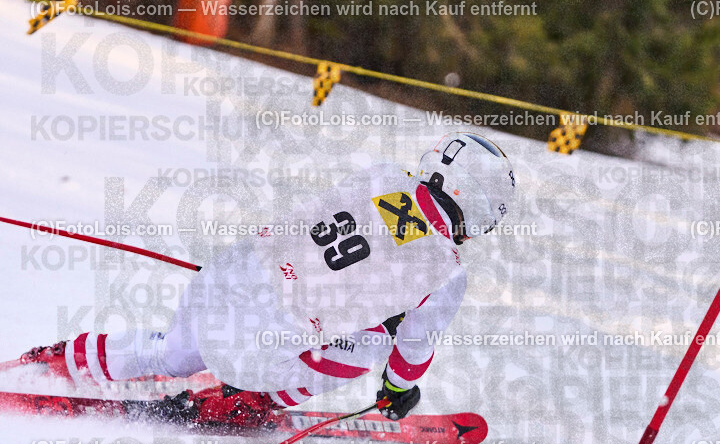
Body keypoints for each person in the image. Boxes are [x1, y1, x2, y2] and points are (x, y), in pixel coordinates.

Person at [15, 132, 516, 427]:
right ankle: (249, 401)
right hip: (256, 348)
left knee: (171, 351)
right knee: (373, 346)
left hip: (224, 280)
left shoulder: (382, 174)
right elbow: (414, 347)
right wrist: (397, 389)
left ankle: (49, 360)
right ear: (480, 204)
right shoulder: (446, 273)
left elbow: (372, 233)